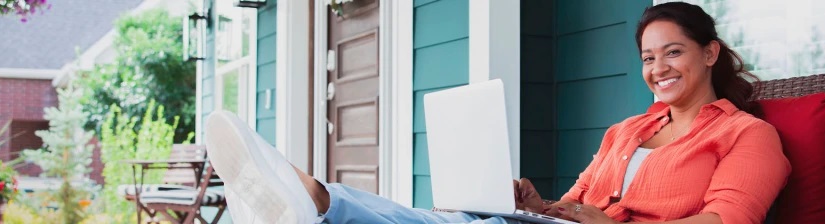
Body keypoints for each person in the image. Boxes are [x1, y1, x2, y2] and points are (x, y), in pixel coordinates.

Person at [205, 2, 790, 224]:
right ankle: (314, 197)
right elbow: (577, 199)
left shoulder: (749, 136)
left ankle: (314, 199)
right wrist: (539, 205)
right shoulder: (629, 129)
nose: (658, 68)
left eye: (673, 53)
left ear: (710, 53)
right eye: (647, 57)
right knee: (460, 221)